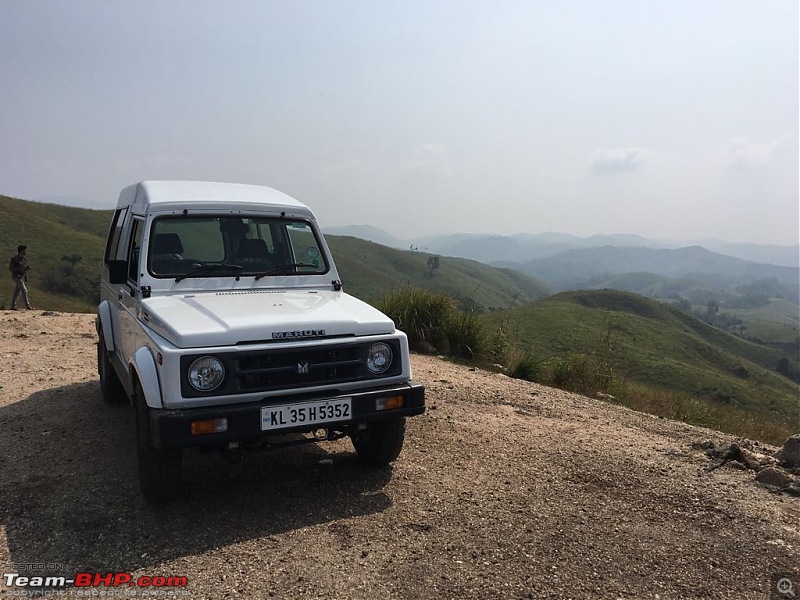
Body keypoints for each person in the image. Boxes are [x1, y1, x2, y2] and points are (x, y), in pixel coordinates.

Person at [9, 244, 33, 310]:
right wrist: (19, 268)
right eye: (24, 250)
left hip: (21, 277)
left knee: (17, 292)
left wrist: (26, 269)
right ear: (21, 251)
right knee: (24, 290)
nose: (25, 252)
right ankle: (27, 305)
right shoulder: (14, 259)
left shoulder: (24, 259)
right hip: (16, 277)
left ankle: (13, 306)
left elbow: (23, 268)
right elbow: (11, 268)